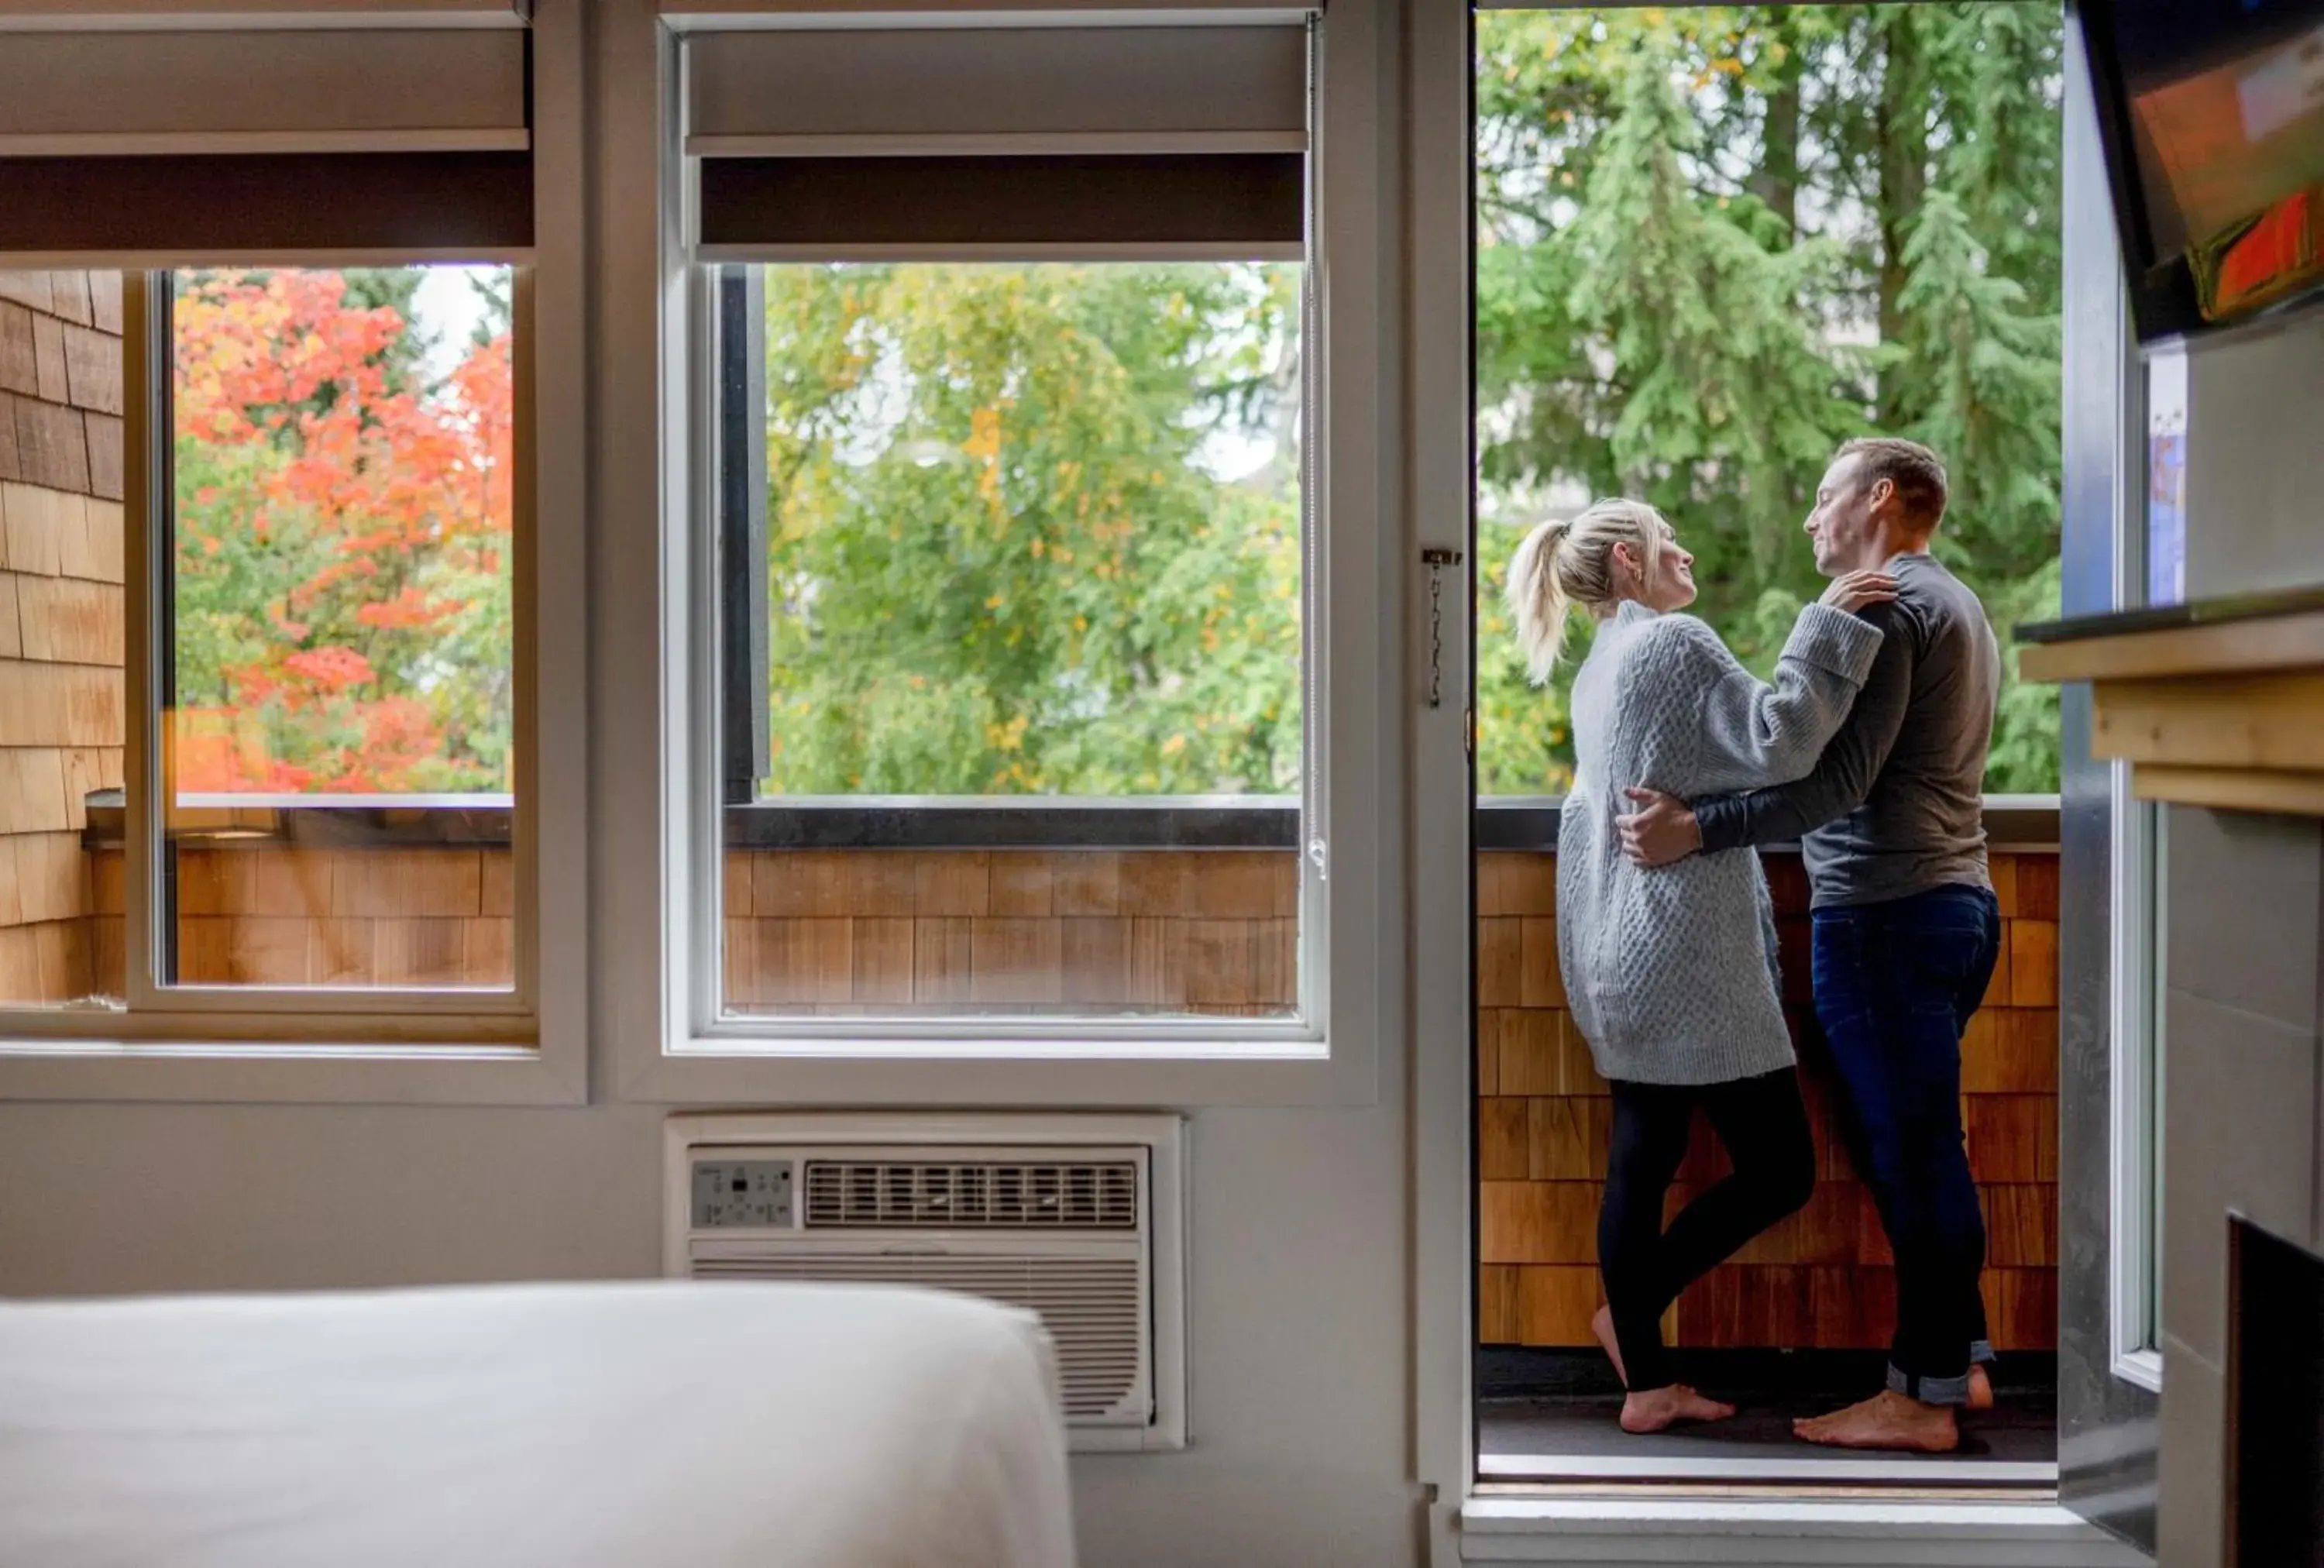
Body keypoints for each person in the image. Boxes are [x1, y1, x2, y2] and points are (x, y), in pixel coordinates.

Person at [1615, 438, 2002, 1454]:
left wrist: (1697, 828)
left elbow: (1837, 784)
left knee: (1915, 1161)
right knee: (1918, 1151)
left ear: (1879, 498)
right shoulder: (1951, 598)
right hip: (1953, 903)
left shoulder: (1893, 608)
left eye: (1825, 496)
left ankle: (1921, 1400)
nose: (1809, 518)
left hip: (1887, 915)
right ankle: (1955, 1364)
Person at [1505, 497, 1896, 1435]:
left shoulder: (1599, 668)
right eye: (1666, 539)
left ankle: (1643, 1367)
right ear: (1631, 564)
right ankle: (1633, 1327)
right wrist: (1831, 620)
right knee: (1781, 1168)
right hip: (1685, 959)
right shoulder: (1670, 646)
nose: (1684, 550)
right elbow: (1780, 739)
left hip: (1617, 950)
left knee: (1642, 1159)